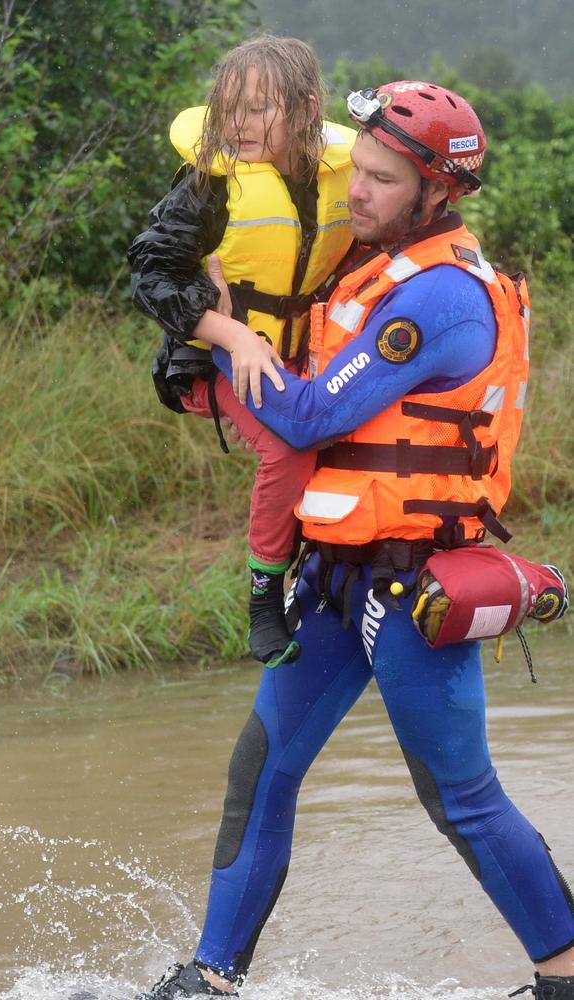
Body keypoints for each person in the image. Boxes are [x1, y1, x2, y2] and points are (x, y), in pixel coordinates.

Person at [137, 81, 574, 1000]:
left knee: (461, 799)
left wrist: (219, 335)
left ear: (435, 194)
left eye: (378, 180)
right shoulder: (368, 268)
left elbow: (302, 417)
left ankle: (564, 975)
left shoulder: (445, 298)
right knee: (262, 772)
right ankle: (210, 980)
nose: (355, 193)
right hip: (336, 578)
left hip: (414, 593)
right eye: (357, 172)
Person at [128, 36, 356, 667]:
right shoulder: (210, 185)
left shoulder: (342, 177)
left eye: (258, 109)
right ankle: (263, 598)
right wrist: (230, 333)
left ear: (307, 108)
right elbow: (149, 271)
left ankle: (334, 569)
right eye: (229, 108)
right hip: (217, 353)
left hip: (304, 354)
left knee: (360, 439)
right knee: (289, 442)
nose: (238, 125)